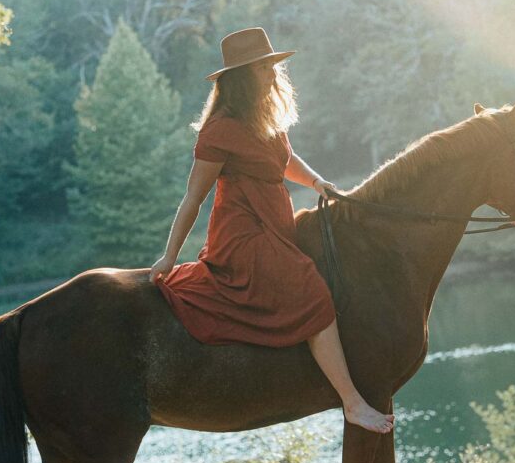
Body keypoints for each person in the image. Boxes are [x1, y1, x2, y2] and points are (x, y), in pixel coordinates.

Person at [149, 27, 394, 434]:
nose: (272, 73)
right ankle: (352, 402)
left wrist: (319, 184)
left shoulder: (264, 116)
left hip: (275, 227)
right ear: (242, 76)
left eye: (272, 65)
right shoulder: (221, 129)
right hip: (243, 237)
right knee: (311, 289)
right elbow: (193, 198)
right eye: (263, 67)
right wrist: (170, 255)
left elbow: (285, 158)